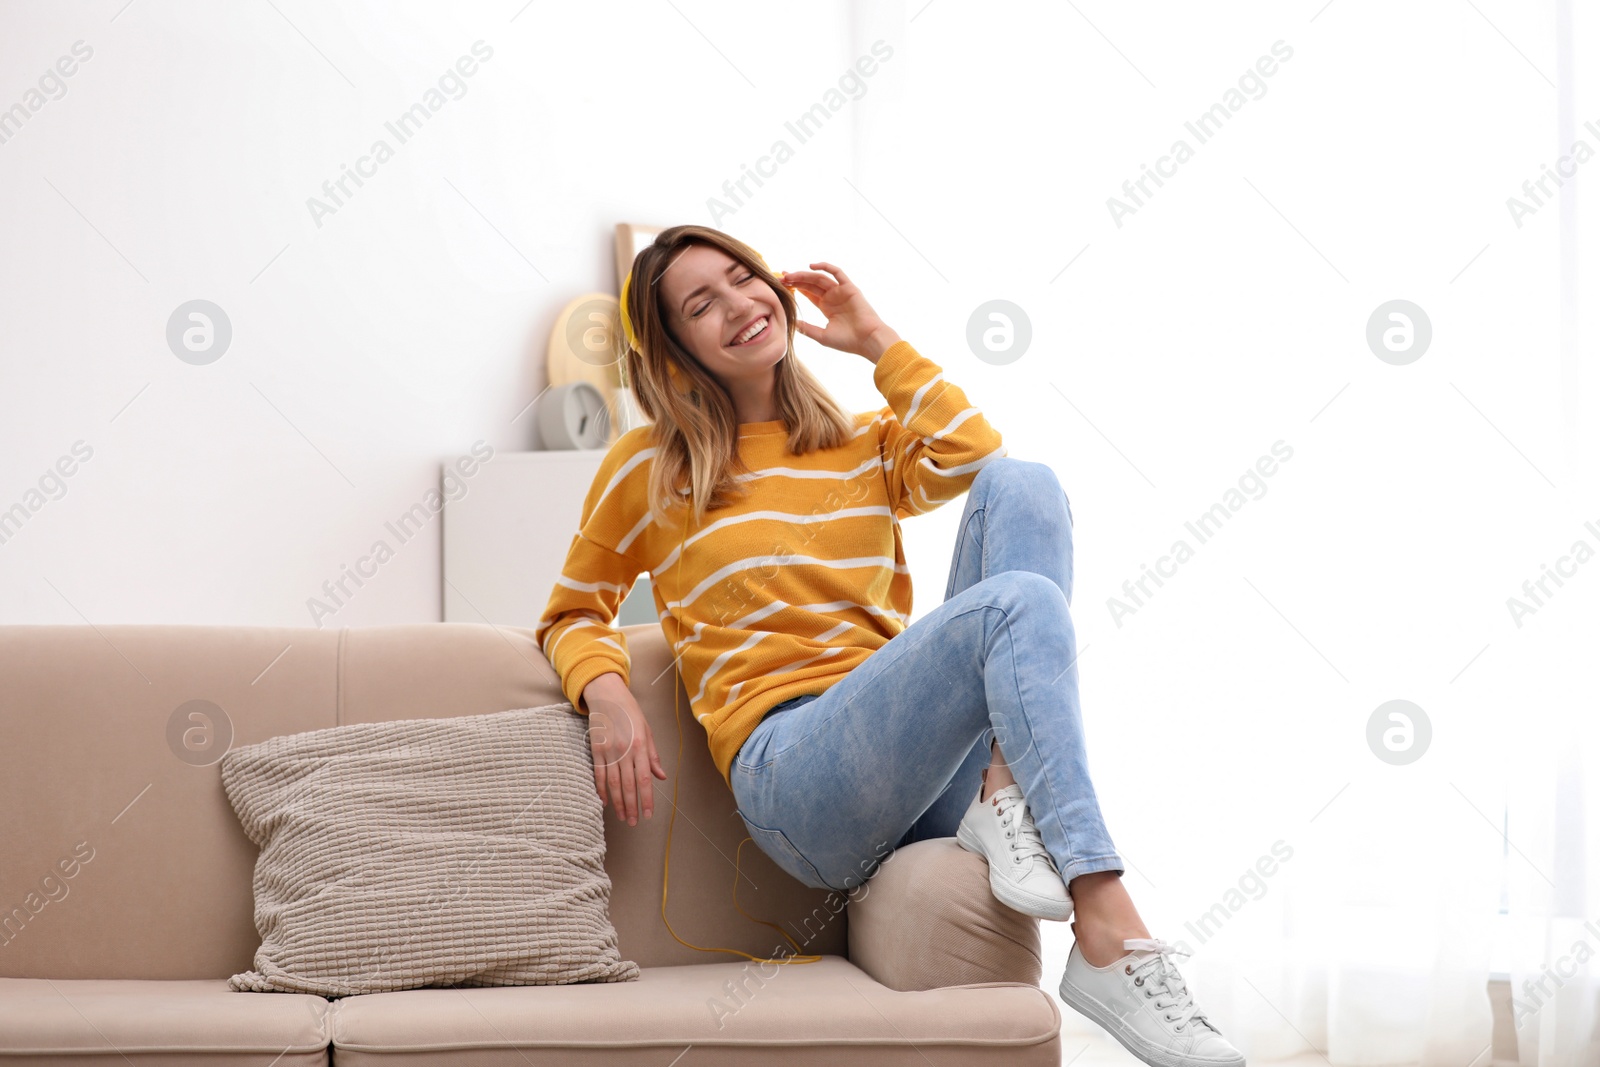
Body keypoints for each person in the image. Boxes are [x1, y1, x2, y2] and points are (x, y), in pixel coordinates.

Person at [534, 224, 1244, 1066]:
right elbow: (573, 611)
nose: (738, 305)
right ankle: (1106, 917)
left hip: (920, 769)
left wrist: (874, 339)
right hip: (798, 778)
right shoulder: (649, 467)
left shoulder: (857, 439)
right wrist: (607, 694)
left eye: (742, 279)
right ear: (676, 349)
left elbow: (975, 455)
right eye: (701, 304)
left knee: (1025, 482)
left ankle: (1005, 795)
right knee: (1016, 600)